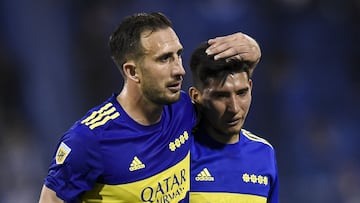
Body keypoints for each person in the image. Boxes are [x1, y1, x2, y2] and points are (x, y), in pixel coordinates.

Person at [38, 12, 261, 203]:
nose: (179, 70)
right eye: (164, 59)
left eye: (178, 55)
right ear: (132, 72)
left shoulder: (184, 110)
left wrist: (253, 55)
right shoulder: (89, 140)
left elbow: (231, 109)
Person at [188, 42, 279, 202]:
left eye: (242, 93)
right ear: (196, 97)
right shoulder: (179, 153)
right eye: (221, 96)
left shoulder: (264, 152)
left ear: (250, 88)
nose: (234, 108)